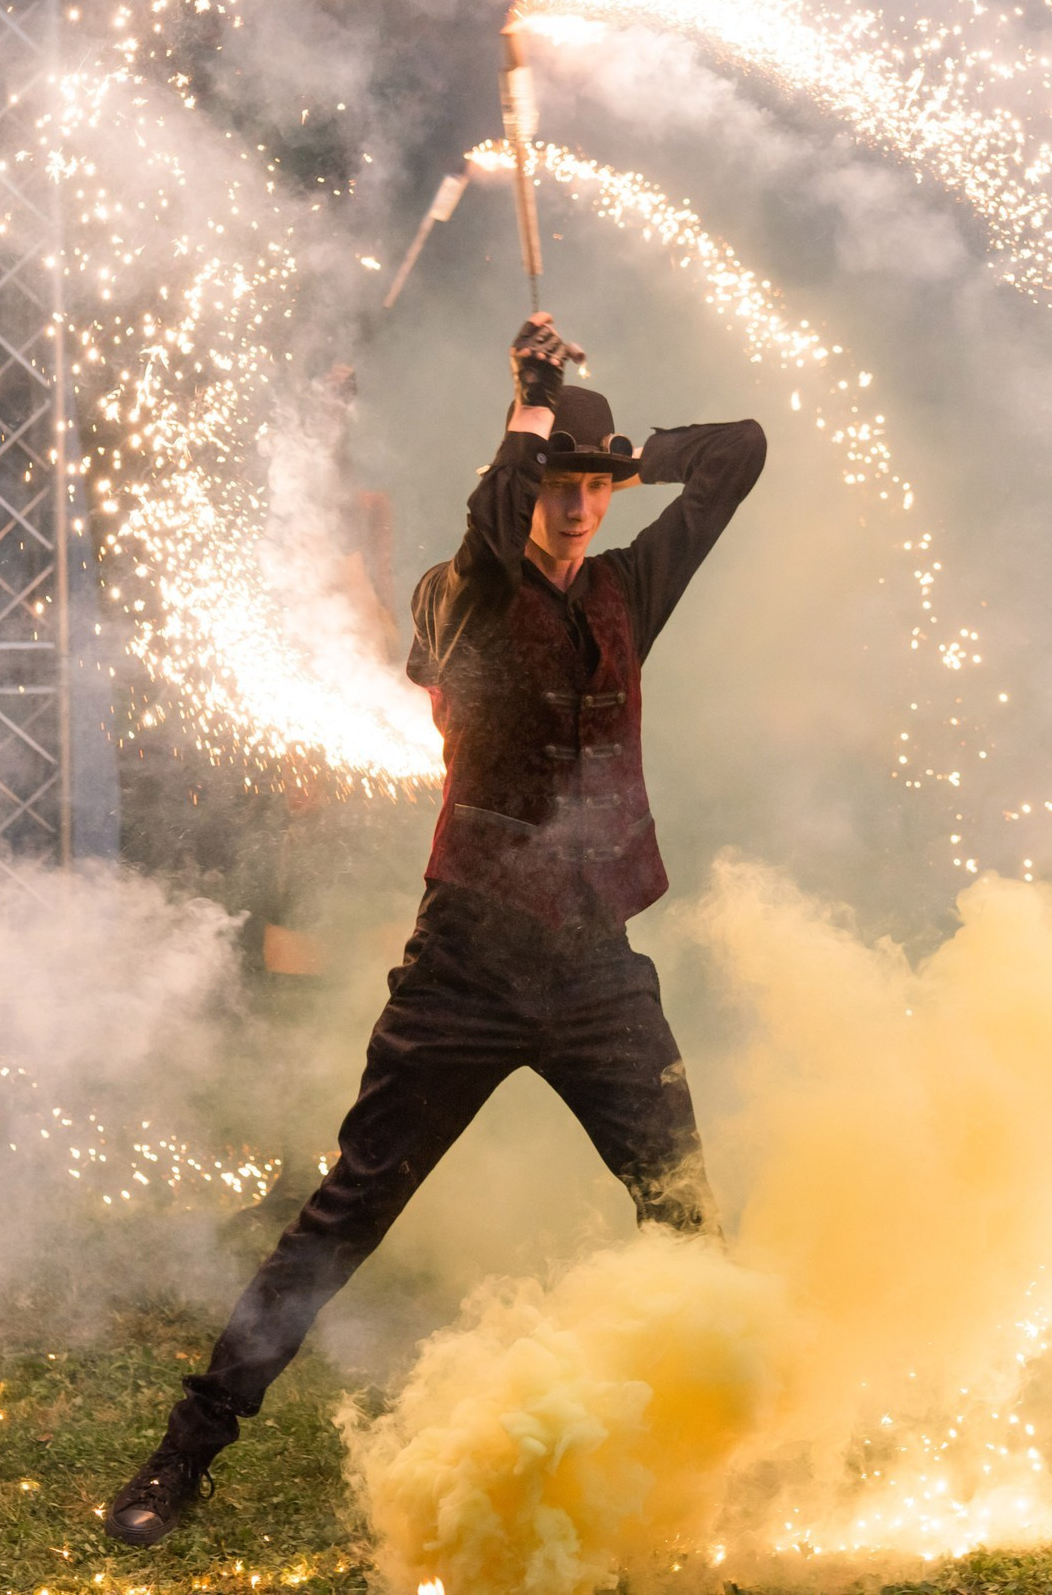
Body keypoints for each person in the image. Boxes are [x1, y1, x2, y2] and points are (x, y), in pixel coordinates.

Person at [102, 313, 767, 1545]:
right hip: (465, 964)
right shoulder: (459, 592)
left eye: (592, 490)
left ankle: (719, 1462)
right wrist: (528, 400)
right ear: (519, 487)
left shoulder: (627, 587)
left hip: (593, 968)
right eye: (557, 488)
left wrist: (630, 454)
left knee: (685, 1211)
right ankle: (183, 1455)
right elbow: (483, 527)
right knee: (343, 1218)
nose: (574, 509)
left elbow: (741, 448)